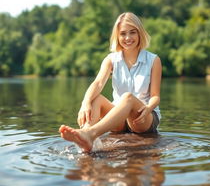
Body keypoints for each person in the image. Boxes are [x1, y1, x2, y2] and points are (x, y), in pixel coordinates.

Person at [59, 12, 162, 152]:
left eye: (132, 33)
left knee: (128, 97)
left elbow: (155, 95)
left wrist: (149, 108)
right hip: (118, 118)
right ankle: (85, 136)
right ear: (117, 37)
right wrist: (85, 102)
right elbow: (98, 83)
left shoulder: (153, 60)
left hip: (143, 117)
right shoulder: (111, 59)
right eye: (123, 34)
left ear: (139, 34)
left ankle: (90, 134)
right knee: (95, 99)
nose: (127, 38)